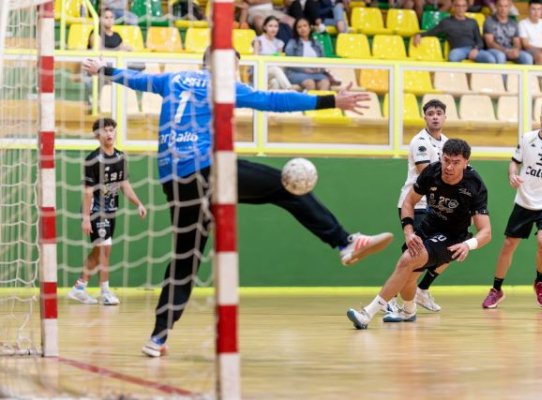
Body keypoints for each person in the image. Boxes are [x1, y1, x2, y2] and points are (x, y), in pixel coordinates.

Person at [82, 52, 393, 355]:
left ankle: (158, 337)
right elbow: (272, 101)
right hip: (208, 170)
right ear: (218, 64)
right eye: (233, 66)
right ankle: (344, 242)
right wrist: (332, 101)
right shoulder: (222, 85)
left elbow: (136, 79)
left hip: (173, 182)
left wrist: (103, 69)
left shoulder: (172, 79)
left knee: (184, 261)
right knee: (287, 187)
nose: (234, 73)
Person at [347, 139, 491, 329]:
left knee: (408, 259)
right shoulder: (431, 172)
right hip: (428, 227)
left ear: (466, 162)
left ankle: (367, 314)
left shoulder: (474, 185)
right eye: (446, 160)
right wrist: (408, 232)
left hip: (453, 238)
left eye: (456, 163)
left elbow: (486, 232)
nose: (449, 167)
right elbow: (408, 203)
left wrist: (467, 245)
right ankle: (408, 310)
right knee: (409, 276)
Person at [481, 100, 542, 309]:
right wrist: (512, 173)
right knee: (509, 245)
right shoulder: (527, 139)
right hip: (524, 200)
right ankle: (496, 289)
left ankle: (540, 282)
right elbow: (514, 161)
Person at [67, 118, 147, 306]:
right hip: (95, 211)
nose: (109, 134)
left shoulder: (120, 157)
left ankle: (79, 288)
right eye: (105, 131)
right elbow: (87, 192)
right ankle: (105, 292)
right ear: (97, 135)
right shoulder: (92, 160)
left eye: (112, 130)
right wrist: (86, 218)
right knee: (105, 250)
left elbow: (124, 185)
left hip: (111, 210)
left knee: (97, 252)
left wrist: (138, 204)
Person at [389, 99, 449, 314]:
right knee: (415, 256)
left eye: (439, 113)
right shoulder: (420, 142)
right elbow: (427, 173)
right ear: (425, 117)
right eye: (431, 113)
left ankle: (422, 289)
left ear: (444, 117)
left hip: (438, 207)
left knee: (451, 247)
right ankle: (394, 300)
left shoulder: (448, 143)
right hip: (416, 204)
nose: (435, 116)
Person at [412, 0, 496, 64]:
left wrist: (476, 49)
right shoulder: (446, 22)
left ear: (466, 7)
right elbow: (431, 32)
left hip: (472, 48)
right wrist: (419, 34)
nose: (460, 9)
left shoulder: (472, 22)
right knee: (453, 56)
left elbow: (479, 41)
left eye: (463, 6)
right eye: (458, 6)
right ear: (453, 7)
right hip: (458, 50)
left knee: (490, 59)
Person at [285, 18, 331, 91]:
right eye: (299, 27)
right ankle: (310, 102)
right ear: (296, 30)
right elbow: (289, 62)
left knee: (325, 83)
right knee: (310, 83)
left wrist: (320, 69)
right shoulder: (292, 42)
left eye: (305, 26)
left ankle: (322, 102)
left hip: (316, 73)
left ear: (309, 28)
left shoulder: (317, 43)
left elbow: (323, 60)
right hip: (297, 72)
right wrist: (304, 69)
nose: (302, 28)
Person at [483, 0, 533, 65]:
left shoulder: (514, 23)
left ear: (509, 7)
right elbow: (490, 43)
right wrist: (505, 51)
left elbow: (517, 42)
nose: (503, 9)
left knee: (527, 57)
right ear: (496, 7)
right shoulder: (489, 21)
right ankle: (502, 75)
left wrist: (516, 50)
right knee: (501, 56)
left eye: (506, 6)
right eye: (500, 6)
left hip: (511, 51)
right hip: (495, 50)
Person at [253, 16, 294, 90]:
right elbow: (255, 58)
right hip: (260, 70)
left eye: (276, 26)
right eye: (270, 26)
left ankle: (272, 101)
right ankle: (290, 90)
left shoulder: (279, 43)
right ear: (265, 27)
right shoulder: (258, 40)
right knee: (275, 69)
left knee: (275, 82)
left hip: (273, 72)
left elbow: (279, 61)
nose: (273, 29)